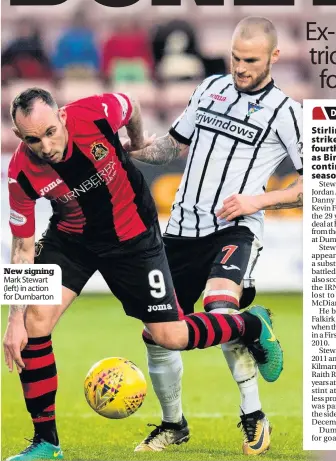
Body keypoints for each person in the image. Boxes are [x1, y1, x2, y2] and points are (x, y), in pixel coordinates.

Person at [3, 87, 283, 461]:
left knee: (170, 335)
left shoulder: (95, 113)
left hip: (132, 237)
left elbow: (132, 104)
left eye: (51, 131)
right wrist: (14, 319)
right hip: (72, 239)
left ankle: (250, 326)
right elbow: (22, 249)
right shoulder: (20, 173)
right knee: (32, 327)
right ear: (20, 138)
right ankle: (46, 443)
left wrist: (134, 141)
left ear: (63, 117)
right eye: (33, 139)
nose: (46, 145)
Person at [130, 16, 303, 456]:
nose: (240, 67)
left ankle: (253, 415)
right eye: (235, 57)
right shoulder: (210, 88)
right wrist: (124, 146)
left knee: (219, 306)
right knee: (156, 333)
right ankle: (174, 425)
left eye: (250, 60)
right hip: (182, 229)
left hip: (235, 226)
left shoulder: (286, 112)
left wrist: (255, 202)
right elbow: (172, 145)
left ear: (274, 57)